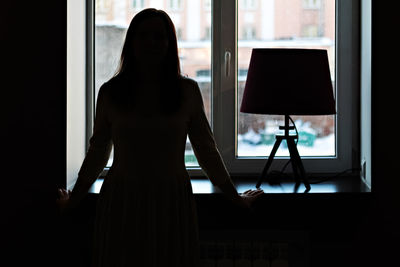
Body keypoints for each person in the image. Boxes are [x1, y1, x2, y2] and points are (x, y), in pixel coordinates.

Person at [57, 8, 263, 267]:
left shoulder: (187, 91)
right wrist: (73, 201)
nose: (151, 42)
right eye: (143, 35)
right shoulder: (111, 92)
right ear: (131, 42)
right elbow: (98, 152)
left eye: (159, 36)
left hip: (171, 200)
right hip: (123, 199)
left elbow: (206, 151)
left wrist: (236, 199)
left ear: (170, 43)